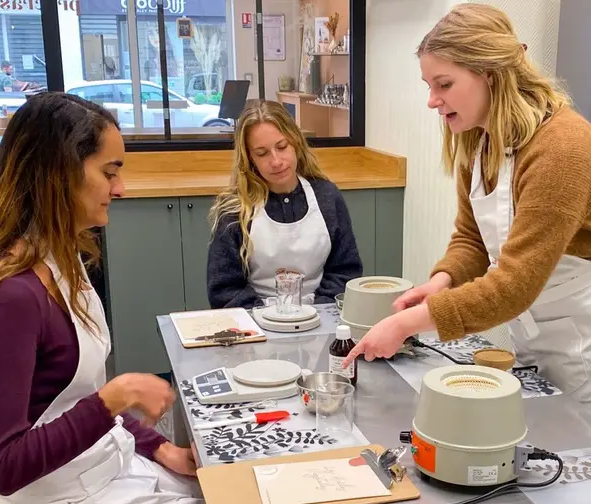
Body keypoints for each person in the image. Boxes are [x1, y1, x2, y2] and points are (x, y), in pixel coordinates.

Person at [0, 93, 238, 504]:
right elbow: (2, 466)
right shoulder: (13, 295)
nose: (121, 188)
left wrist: (158, 448)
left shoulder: (64, 257)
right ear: (59, 174)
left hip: (89, 471)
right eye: (109, 171)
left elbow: (71, 400)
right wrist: (114, 398)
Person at [344, 3, 591, 404]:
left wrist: (411, 323)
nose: (432, 100)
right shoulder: (480, 139)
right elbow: (473, 239)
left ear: (490, 75)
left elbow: (514, 284)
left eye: (444, 84)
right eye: (429, 86)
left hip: (584, 346)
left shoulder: (563, 148)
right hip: (535, 339)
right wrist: (439, 283)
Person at [207, 100, 363, 309]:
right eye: (262, 153)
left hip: (321, 317)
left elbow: (345, 271)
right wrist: (267, 318)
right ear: (249, 158)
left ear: (296, 142)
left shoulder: (327, 197)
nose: (276, 161)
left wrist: (315, 312)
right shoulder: (235, 209)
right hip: (257, 324)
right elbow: (225, 289)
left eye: (281, 147)